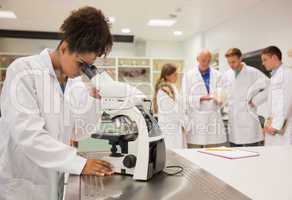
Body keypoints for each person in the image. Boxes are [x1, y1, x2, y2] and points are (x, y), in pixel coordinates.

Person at [0, 7, 114, 200]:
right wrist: (80, 164)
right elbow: (29, 135)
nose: (82, 71)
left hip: (55, 181)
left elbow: (80, 131)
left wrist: (95, 99)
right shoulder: (23, 71)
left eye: (89, 66)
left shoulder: (74, 82)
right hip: (25, 186)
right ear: (64, 48)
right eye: (81, 64)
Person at [221, 48, 269, 147]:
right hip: (233, 119)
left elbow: (270, 86)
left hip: (248, 117)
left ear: (240, 58)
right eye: (229, 62)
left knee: (252, 151)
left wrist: (256, 100)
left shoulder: (253, 72)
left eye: (233, 62)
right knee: (234, 152)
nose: (231, 65)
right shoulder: (226, 75)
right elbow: (223, 93)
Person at [181, 50, 226, 148]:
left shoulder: (217, 75)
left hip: (212, 118)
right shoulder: (189, 75)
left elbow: (222, 94)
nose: (206, 63)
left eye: (208, 61)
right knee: (194, 151)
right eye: (203, 60)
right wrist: (201, 98)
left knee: (213, 152)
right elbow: (184, 98)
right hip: (196, 119)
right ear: (197, 59)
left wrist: (220, 99)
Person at [261, 46, 292, 145]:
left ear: (274, 58)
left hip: (282, 128)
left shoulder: (287, 74)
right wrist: (267, 125)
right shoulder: (274, 76)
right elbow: (273, 105)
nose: (263, 63)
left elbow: (287, 101)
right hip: (273, 127)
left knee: (283, 157)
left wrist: (276, 126)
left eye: (265, 60)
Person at [153, 63, 187, 149]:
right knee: (171, 155)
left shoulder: (172, 87)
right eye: (175, 74)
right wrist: (184, 122)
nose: (177, 76)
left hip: (175, 127)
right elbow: (172, 111)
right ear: (167, 75)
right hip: (170, 128)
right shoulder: (164, 90)